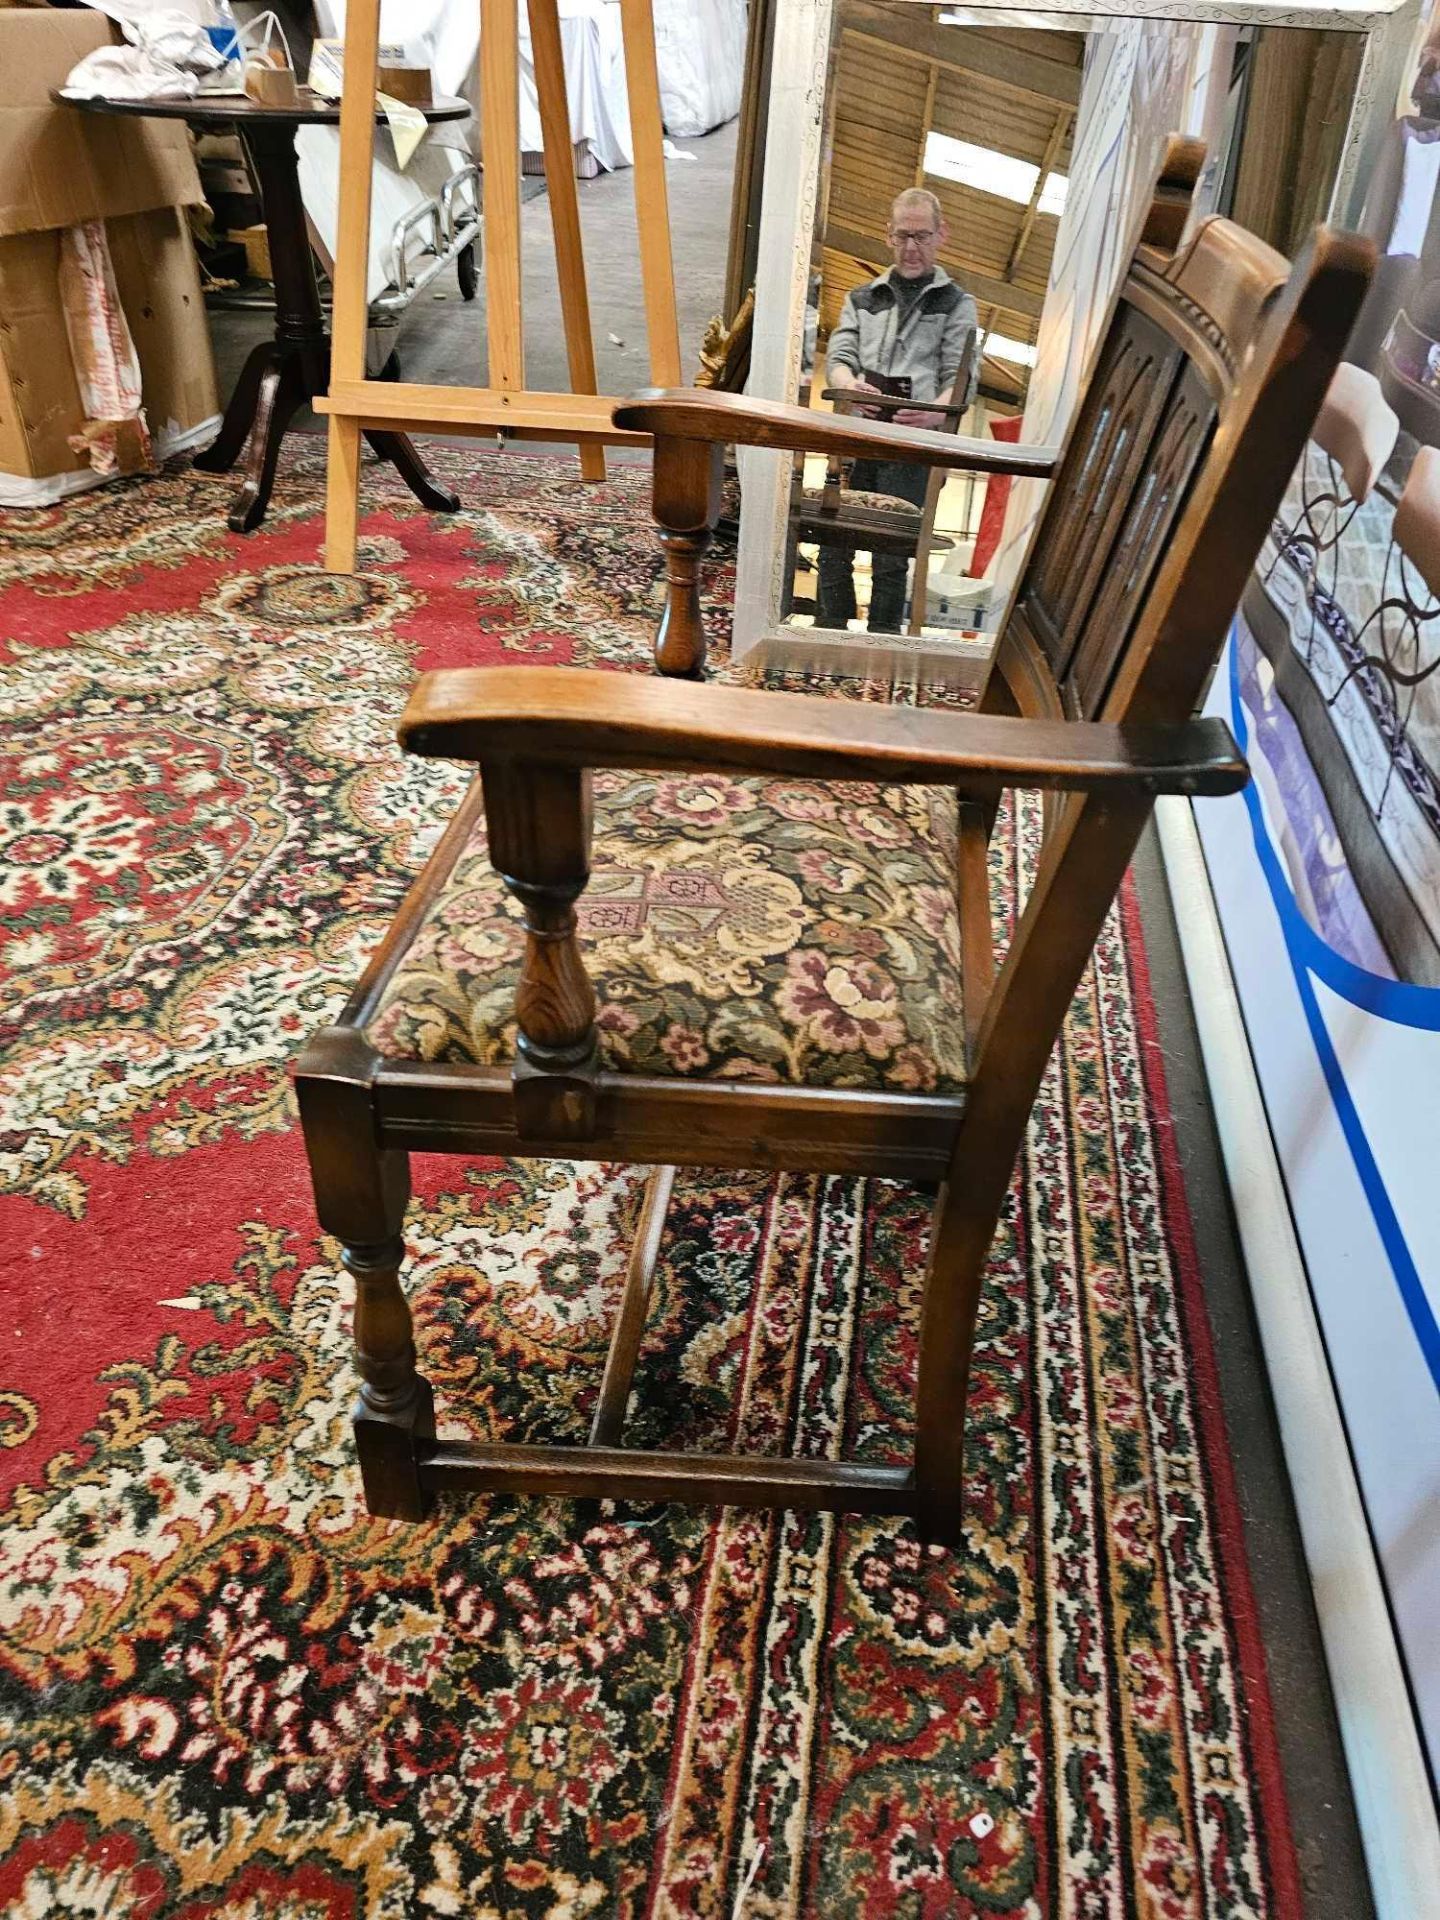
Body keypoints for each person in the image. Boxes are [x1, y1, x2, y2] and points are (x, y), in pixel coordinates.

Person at [817, 187, 978, 632]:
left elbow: (961, 377)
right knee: (833, 547)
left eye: (922, 236)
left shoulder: (958, 305)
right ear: (888, 236)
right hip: (856, 440)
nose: (912, 247)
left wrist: (934, 413)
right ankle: (828, 646)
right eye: (903, 236)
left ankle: (879, 654)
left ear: (941, 235)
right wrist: (850, 387)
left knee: (891, 559)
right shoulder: (860, 298)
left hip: (912, 450)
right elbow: (839, 358)